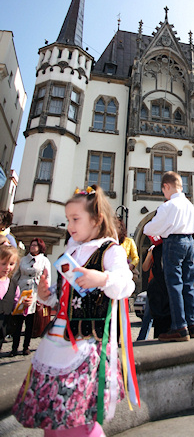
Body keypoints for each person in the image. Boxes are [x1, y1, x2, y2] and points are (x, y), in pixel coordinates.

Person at [12, 185, 136, 437]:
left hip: (88, 344)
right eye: (68, 219)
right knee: (53, 421)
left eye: (76, 219)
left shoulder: (109, 250)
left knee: (77, 421)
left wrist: (101, 279)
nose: (70, 225)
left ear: (96, 219)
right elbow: (64, 300)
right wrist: (48, 296)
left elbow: (126, 284)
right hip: (57, 343)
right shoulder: (70, 251)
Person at [143, 171, 194, 342]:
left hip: (173, 243)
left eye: (163, 191)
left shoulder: (169, 206)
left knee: (174, 285)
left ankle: (179, 327)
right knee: (188, 285)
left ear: (166, 186)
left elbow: (149, 229)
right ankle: (193, 324)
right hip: (189, 242)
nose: (164, 195)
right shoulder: (189, 204)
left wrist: (161, 229)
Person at [11, 237, 51, 356]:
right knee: (18, 322)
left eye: (35, 245)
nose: (33, 247)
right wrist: (14, 289)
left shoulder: (44, 261)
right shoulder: (23, 260)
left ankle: (25, 347)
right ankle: (14, 347)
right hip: (22, 290)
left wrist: (45, 292)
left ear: (40, 247)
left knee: (30, 322)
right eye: (32, 245)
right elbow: (15, 275)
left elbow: (47, 277)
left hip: (34, 292)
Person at [0, 245, 32, 351]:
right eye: (3, 264)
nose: (7, 268)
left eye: (11, 264)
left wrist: (24, 304)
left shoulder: (13, 285)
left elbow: (15, 308)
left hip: (2, 330)